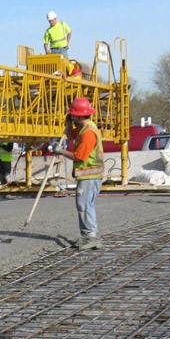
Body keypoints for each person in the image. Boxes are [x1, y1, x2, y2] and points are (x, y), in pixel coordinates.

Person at [52, 97, 104, 250]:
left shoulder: (88, 132)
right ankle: (89, 235)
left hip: (90, 175)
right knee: (85, 204)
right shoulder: (83, 128)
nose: (72, 116)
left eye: (74, 114)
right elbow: (70, 135)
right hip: (87, 175)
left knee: (84, 205)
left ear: (80, 115)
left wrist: (60, 151)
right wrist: (68, 123)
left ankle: (91, 236)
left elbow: (80, 156)